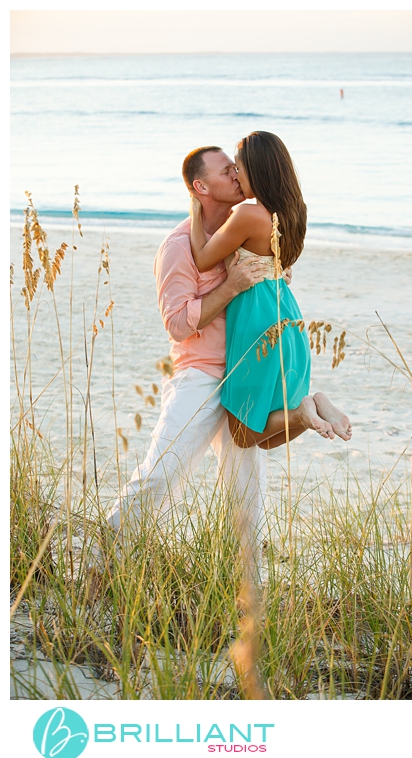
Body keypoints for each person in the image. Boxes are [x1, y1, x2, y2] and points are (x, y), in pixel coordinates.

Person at [106, 146, 270, 550]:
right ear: (201, 187)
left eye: (236, 168)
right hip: (201, 376)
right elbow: (178, 325)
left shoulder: (242, 232)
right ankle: (100, 557)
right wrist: (231, 287)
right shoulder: (178, 247)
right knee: (160, 475)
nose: (236, 175)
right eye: (226, 171)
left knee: (249, 496)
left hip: (244, 377)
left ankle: (250, 589)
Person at [189, 131, 352, 450]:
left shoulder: (248, 215)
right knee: (264, 440)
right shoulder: (294, 212)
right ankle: (311, 406)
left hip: (257, 324)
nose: (235, 175)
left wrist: (195, 211)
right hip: (287, 317)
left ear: (257, 170)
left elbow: (202, 259)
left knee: (243, 434)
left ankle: (305, 413)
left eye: (238, 168)